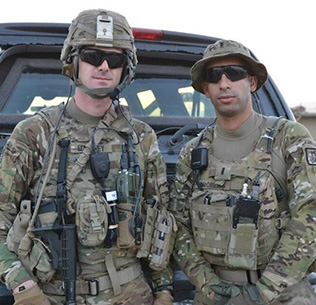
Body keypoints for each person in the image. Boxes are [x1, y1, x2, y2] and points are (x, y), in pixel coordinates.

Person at [0, 9, 175, 305]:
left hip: (132, 295)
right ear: (74, 62)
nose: (104, 66)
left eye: (115, 59)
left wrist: (165, 290)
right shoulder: (35, 134)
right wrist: (23, 287)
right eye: (93, 56)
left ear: (125, 69)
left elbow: (161, 220)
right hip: (51, 295)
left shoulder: (141, 137)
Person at [170, 39, 316, 304]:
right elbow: (178, 226)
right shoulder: (193, 152)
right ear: (205, 88)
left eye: (234, 74)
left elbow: (310, 216)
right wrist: (209, 285)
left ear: (251, 82)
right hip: (215, 295)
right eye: (214, 76)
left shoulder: (289, 138)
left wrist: (263, 291)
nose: (224, 83)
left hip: (283, 292)